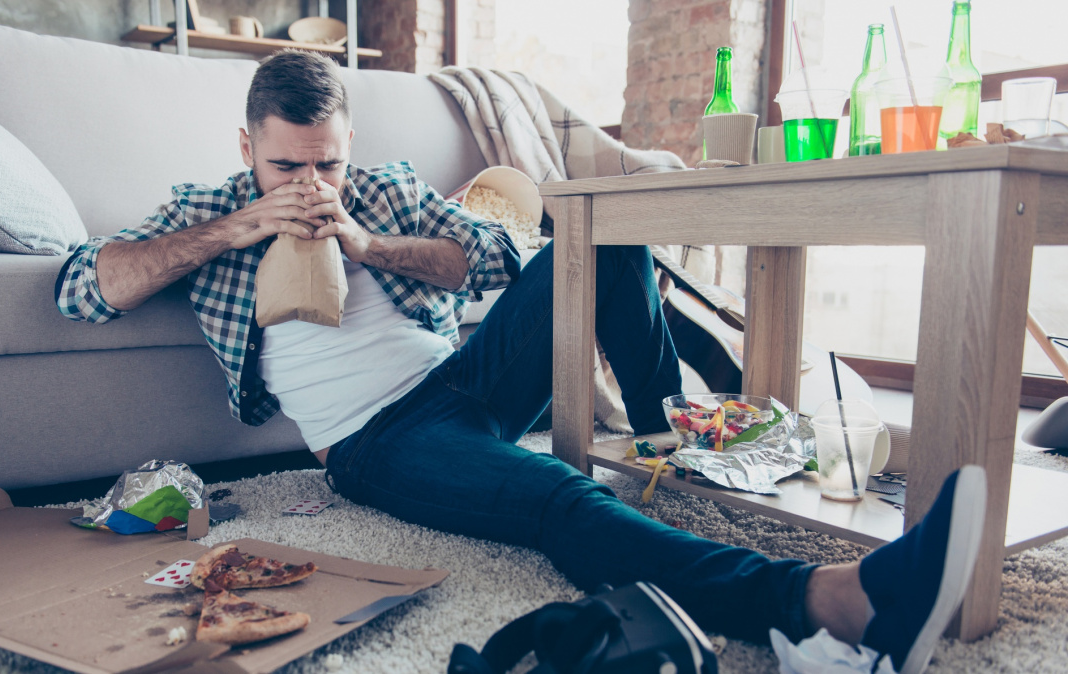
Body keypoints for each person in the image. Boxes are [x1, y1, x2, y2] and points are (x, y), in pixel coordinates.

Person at [57, 50, 987, 673]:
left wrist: (372, 245)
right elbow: (86, 284)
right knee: (556, 498)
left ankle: (673, 441)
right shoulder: (209, 208)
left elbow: (496, 256)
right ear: (245, 149)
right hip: (374, 444)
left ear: (351, 150)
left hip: (460, 381)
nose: (310, 186)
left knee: (603, 238)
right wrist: (245, 224)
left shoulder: (377, 190)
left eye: (327, 165)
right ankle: (823, 607)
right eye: (285, 169)